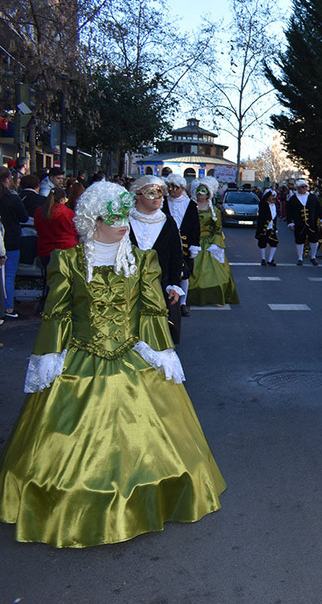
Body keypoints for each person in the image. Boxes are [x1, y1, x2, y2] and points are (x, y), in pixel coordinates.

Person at [0, 181, 225, 547]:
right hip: (79, 360)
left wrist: (162, 353)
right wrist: (49, 357)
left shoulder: (142, 261)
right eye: (114, 216)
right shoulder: (68, 261)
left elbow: (151, 312)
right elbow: (57, 314)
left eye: (125, 215)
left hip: (131, 355)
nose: (123, 223)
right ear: (94, 220)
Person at [129, 175, 185, 344]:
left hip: (160, 289)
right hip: (127, 288)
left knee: (158, 338)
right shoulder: (124, 221)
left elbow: (176, 256)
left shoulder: (168, 222)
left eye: (160, 193)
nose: (158, 197)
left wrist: (174, 285)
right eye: (151, 193)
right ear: (138, 195)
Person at [187, 177, 239, 306]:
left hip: (208, 243)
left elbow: (217, 229)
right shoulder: (189, 208)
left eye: (203, 192)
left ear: (208, 194)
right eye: (198, 191)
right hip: (192, 242)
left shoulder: (214, 211)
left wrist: (216, 244)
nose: (200, 194)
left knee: (213, 272)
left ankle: (212, 296)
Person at [33, 186, 77, 310]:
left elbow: (37, 228)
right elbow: (74, 228)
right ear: (63, 199)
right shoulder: (66, 212)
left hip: (45, 249)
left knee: (49, 279)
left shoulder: (40, 212)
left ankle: (49, 304)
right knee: (65, 279)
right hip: (65, 249)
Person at [165, 174, 200, 317]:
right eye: (170, 187)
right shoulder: (163, 202)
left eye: (175, 187)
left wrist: (194, 245)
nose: (172, 190)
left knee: (184, 274)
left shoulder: (190, 204)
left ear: (182, 188)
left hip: (184, 244)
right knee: (167, 271)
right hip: (167, 241)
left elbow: (195, 226)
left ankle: (183, 303)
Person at [0, 167, 28, 319]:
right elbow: (23, 217)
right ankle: (8, 308)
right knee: (8, 276)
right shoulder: (12, 198)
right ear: (7, 180)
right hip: (10, 240)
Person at [286, 179, 322, 266]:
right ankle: (300, 258)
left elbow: (318, 209)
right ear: (298, 188)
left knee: (314, 239)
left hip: (312, 222)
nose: (304, 189)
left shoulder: (312, 197)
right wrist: (290, 223)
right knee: (299, 240)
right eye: (302, 187)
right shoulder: (293, 199)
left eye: (305, 187)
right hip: (299, 223)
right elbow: (289, 212)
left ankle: (313, 257)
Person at [256, 188, 280, 266]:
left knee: (274, 243)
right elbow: (262, 200)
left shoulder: (274, 206)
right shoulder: (263, 204)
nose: (273, 198)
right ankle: (263, 259)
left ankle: (270, 260)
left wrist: (275, 228)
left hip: (272, 228)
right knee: (262, 243)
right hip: (264, 228)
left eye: (274, 196)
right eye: (271, 196)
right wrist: (270, 190)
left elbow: (274, 218)